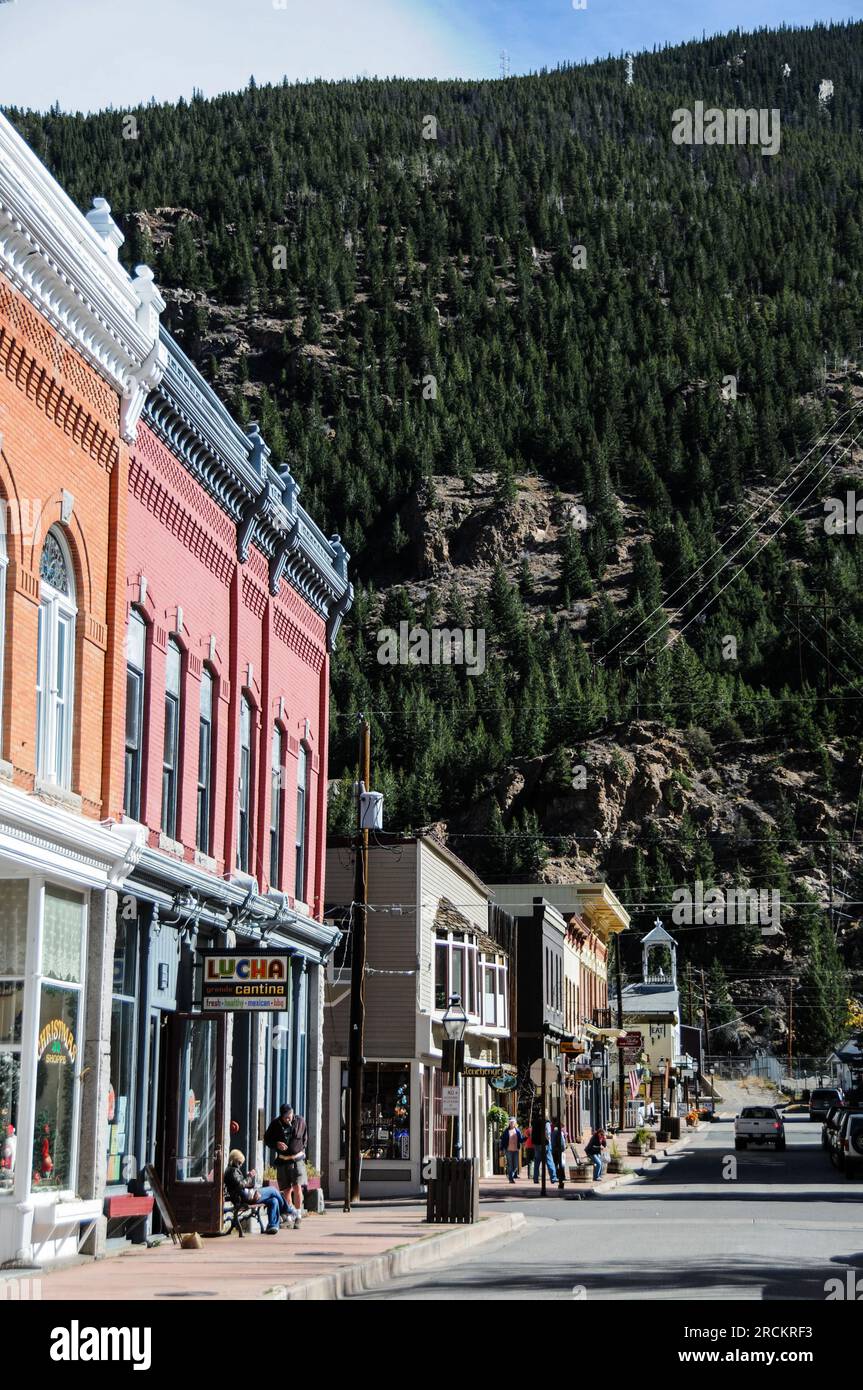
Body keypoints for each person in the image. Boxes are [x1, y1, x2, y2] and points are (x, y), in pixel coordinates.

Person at [223, 1149, 298, 1233]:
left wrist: (248, 1178)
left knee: (274, 1200)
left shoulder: (231, 1170)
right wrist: (249, 1177)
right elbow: (240, 1185)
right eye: (239, 1162)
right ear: (234, 1160)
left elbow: (240, 1185)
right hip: (246, 1198)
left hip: (245, 1195)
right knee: (273, 1190)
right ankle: (289, 1210)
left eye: (241, 1163)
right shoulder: (232, 1171)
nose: (240, 1165)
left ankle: (272, 1226)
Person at [264, 1103, 304, 1220]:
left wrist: (301, 1150)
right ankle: (289, 1212)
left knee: (297, 1186)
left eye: (289, 1116)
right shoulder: (275, 1124)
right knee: (286, 1189)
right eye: (285, 1117)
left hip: (297, 1160)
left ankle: (298, 1213)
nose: (288, 1119)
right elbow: (267, 1139)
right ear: (281, 1116)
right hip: (283, 1160)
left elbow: (305, 1138)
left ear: (292, 1113)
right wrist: (276, 1144)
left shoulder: (300, 1121)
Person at [531, 1114, 558, 1185]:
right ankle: (553, 1178)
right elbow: (547, 1133)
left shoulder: (535, 1122)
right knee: (549, 1161)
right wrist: (548, 1140)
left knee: (537, 1162)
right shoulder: (546, 1122)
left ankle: (536, 1178)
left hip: (537, 1144)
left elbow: (532, 1133)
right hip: (545, 1144)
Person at [499, 1116, 522, 1183]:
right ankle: (511, 1178)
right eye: (510, 1122)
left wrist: (526, 1138)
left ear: (515, 1123)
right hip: (508, 1150)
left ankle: (510, 1176)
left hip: (516, 1150)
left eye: (513, 1122)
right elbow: (503, 1140)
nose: (511, 1123)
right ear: (509, 1123)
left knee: (515, 1166)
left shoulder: (517, 1131)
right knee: (510, 1165)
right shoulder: (506, 1131)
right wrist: (501, 1149)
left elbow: (520, 1139)